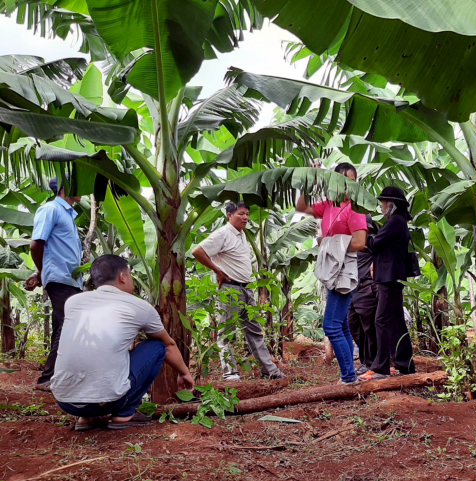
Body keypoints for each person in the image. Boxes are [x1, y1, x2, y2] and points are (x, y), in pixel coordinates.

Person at [51, 255, 195, 431]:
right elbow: (169, 345)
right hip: (109, 402)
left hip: (65, 401)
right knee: (157, 346)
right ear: (122, 277)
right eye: (130, 275)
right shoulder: (139, 307)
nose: (133, 282)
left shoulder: (73, 302)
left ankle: (86, 418)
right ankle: (124, 414)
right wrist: (184, 373)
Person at [192, 201, 285, 382]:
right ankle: (231, 374)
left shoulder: (241, 234)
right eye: (241, 214)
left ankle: (270, 371)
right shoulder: (223, 234)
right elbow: (197, 251)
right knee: (226, 333)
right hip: (230, 289)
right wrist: (217, 271)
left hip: (246, 289)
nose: (245, 218)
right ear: (229, 215)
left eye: (247, 214)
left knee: (255, 332)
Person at [296, 162, 367, 385]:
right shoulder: (328, 205)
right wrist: (310, 179)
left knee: (331, 325)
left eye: (350, 181)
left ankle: (348, 376)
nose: (345, 186)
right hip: (332, 270)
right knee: (341, 324)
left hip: (345, 271)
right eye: (341, 180)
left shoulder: (355, 209)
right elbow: (301, 206)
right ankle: (350, 375)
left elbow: (360, 242)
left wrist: (327, 242)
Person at [24, 176, 83, 391]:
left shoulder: (68, 215)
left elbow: (53, 250)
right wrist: (42, 272)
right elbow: (36, 244)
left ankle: (49, 377)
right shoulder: (51, 209)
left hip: (69, 279)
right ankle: (52, 378)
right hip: (60, 279)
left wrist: (40, 273)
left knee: (62, 326)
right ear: (66, 188)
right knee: (70, 324)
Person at [360, 186, 416, 381]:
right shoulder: (398, 222)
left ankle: (381, 368)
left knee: (381, 320)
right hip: (392, 277)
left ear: (392, 204)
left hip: (389, 278)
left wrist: (365, 235)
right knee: (396, 322)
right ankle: (405, 364)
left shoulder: (394, 222)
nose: (382, 207)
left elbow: (375, 245)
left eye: (384, 203)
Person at [348, 216, 379, 375]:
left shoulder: (372, 241)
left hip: (369, 287)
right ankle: (366, 361)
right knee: (355, 325)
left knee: (369, 328)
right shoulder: (354, 244)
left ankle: (373, 363)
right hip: (354, 289)